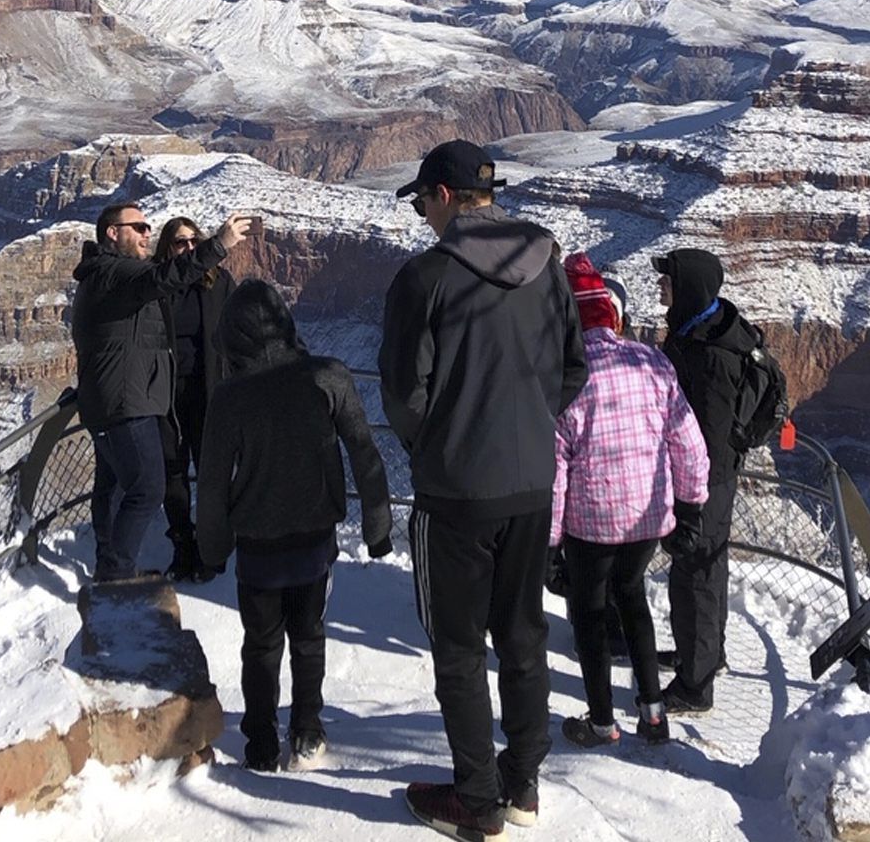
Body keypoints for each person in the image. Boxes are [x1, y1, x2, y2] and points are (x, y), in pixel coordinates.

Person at [379, 139, 588, 840]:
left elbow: (405, 394)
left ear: (441, 195)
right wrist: (528, 428)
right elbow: (573, 369)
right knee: (523, 635)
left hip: (457, 492)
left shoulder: (425, 278)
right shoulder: (546, 265)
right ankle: (522, 782)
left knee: (460, 649)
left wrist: (432, 446)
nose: (420, 218)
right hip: (533, 483)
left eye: (420, 203)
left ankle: (475, 801)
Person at [197, 279, 393, 774]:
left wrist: (212, 548)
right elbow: (364, 452)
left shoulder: (229, 396)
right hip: (314, 540)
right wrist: (377, 527)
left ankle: (260, 741)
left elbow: (214, 483)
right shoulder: (330, 376)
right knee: (309, 637)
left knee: (261, 644)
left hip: (258, 546)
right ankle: (307, 729)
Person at [552, 253, 708, 750]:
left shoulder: (564, 380)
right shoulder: (652, 360)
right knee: (634, 600)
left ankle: (601, 724)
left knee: (592, 618)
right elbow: (688, 441)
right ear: (612, 315)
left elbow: (555, 472)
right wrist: (692, 506)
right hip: (647, 520)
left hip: (590, 527)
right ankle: (654, 715)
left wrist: (549, 542)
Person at [69, 202, 254, 582]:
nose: (145, 233)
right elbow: (163, 280)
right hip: (137, 398)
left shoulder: (122, 274)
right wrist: (219, 243)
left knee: (120, 484)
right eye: (138, 227)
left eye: (148, 227)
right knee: (150, 487)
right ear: (112, 232)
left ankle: (117, 565)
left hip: (169, 395)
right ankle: (119, 572)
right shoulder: (119, 273)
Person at [654, 246, 753, 714]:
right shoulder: (700, 331)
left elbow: (709, 441)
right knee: (706, 569)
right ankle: (704, 656)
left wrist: (689, 501)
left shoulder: (712, 356)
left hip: (705, 481)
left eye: (668, 281)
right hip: (706, 478)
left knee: (694, 573)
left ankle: (695, 686)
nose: (660, 288)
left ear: (688, 288)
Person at [153, 216, 236, 582]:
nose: (188, 248)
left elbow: (238, 332)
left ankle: (210, 548)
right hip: (165, 394)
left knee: (210, 473)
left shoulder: (218, 283)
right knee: (172, 472)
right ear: (167, 249)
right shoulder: (157, 287)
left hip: (209, 392)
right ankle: (182, 544)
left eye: (192, 241)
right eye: (179, 243)